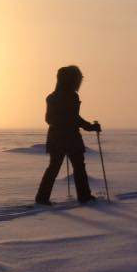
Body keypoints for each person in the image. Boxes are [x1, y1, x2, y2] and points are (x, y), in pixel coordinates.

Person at [35, 65, 101, 205]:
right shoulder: (72, 96)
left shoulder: (51, 97)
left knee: (54, 168)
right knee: (78, 167)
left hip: (55, 137)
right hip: (70, 138)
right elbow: (75, 118)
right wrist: (91, 127)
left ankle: (42, 198)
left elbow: (49, 119)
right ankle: (84, 196)